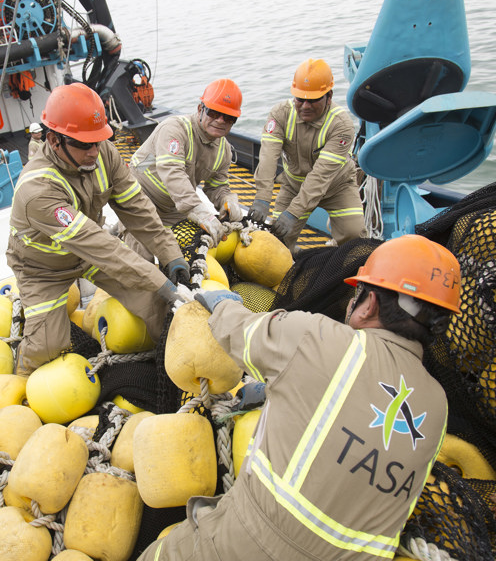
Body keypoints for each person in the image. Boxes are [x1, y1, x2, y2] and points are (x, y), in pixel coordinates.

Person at [139, 234, 461, 561]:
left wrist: (221, 301)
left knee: (162, 552)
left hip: (250, 544)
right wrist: (275, 391)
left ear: (371, 302)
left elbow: (239, 332)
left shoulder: (319, 338)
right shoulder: (439, 407)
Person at [6, 83, 189, 376]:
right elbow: (100, 246)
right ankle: (20, 381)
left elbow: (138, 210)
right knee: (48, 347)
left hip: (89, 256)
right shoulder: (37, 190)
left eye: (100, 139)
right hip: (42, 269)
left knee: (156, 306)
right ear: (54, 140)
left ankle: (181, 365)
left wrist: (171, 256)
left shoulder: (104, 153)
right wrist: (161, 282)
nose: (95, 150)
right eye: (84, 144)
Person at [248, 58, 367, 255]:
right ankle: (294, 253)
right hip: (293, 186)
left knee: (353, 237)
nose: (305, 106)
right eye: (299, 99)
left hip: (336, 187)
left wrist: (293, 213)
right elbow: (268, 158)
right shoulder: (280, 114)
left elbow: (320, 177)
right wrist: (262, 199)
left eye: (312, 100)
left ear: (329, 97)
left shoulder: (341, 126)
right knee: (277, 240)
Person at [129, 79, 244, 254]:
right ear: (200, 109)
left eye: (228, 117)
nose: (220, 121)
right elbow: (172, 172)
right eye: (213, 113)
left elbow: (217, 185)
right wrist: (199, 211)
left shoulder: (224, 150)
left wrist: (227, 201)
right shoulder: (175, 129)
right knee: (142, 256)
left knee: (192, 249)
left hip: (173, 206)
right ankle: (124, 228)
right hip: (139, 195)